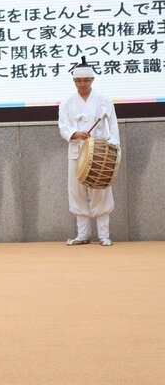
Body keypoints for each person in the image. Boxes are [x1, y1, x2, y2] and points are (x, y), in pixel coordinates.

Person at [58, 57, 119, 246]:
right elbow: (63, 126)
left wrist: (113, 148)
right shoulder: (67, 102)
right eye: (78, 81)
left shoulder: (104, 100)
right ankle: (83, 235)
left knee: (100, 190)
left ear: (92, 80)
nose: (82, 84)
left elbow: (113, 125)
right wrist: (76, 133)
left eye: (86, 80)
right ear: (74, 82)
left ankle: (104, 235)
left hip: (100, 152)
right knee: (77, 191)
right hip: (77, 151)